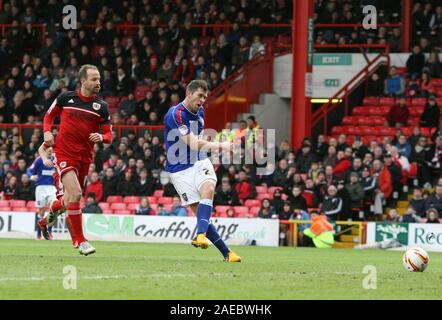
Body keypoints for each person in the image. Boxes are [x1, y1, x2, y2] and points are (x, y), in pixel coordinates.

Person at [38, 64, 112, 256]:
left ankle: (46, 221)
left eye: (99, 79)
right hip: (64, 153)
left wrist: (101, 137)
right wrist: (47, 132)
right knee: (77, 194)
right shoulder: (65, 98)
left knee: (69, 200)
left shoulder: (101, 107)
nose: (98, 82)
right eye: (94, 79)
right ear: (83, 81)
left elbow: (109, 135)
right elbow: (48, 116)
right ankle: (80, 241)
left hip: (85, 158)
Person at [164, 79, 241, 262]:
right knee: (199, 211)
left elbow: (197, 142)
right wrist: (222, 145)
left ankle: (200, 235)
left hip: (198, 160)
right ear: (188, 93)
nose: (202, 100)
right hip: (178, 169)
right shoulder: (176, 114)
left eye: (205, 97)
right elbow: (192, 142)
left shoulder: (200, 112)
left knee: (208, 188)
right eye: (199, 96)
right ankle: (227, 253)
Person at [27, 144, 56, 240]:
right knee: (41, 212)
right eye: (49, 150)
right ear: (45, 150)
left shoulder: (55, 160)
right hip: (40, 188)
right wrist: (32, 176)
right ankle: (39, 234)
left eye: (52, 150)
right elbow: (29, 170)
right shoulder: (39, 160)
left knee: (54, 209)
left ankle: (50, 232)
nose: (51, 151)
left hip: (52, 188)